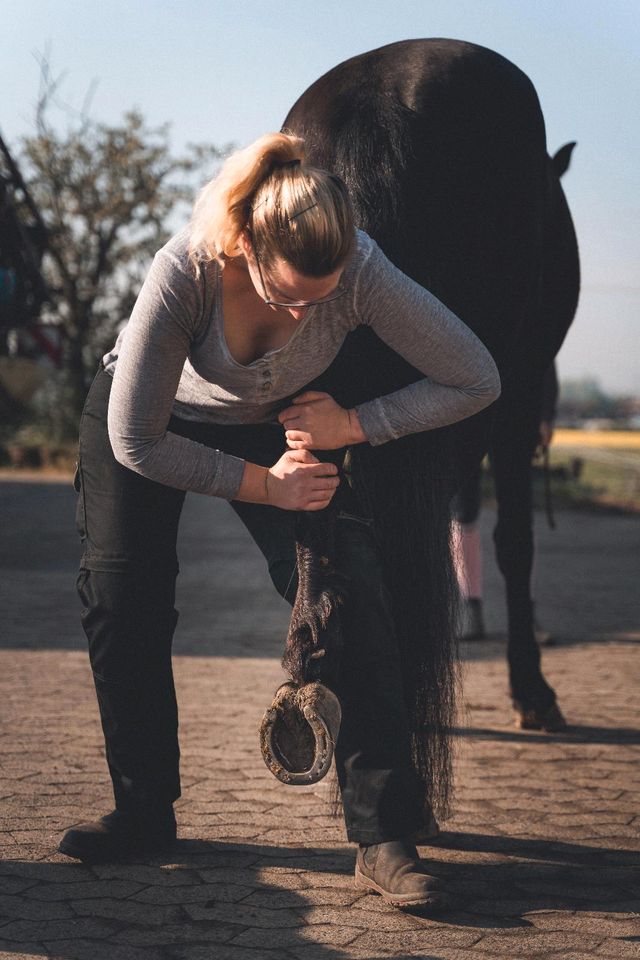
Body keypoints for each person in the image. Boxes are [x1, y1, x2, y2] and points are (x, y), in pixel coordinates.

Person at [59, 132, 500, 910]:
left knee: (351, 584)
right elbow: (137, 441)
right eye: (285, 296)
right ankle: (142, 813)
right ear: (246, 245)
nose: (303, 313)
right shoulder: (184, 271)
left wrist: (355, 425)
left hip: (269, 419)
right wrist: (267, 486)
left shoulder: (358, 270)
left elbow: (475, 377)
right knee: (122, 597)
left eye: (319, 300)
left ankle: (383, 837)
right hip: (148, 419)